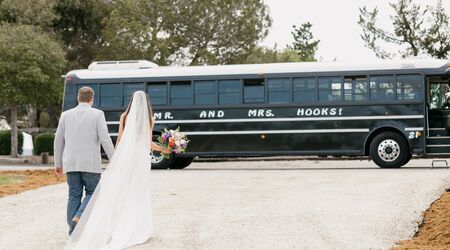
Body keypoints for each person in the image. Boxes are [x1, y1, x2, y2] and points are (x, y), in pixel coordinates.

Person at [64, 91, 171, 250]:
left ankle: (115, 225)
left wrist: (117, 159)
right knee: (140, 192)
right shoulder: (150, 119)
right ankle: (139, 227)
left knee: (124, 193)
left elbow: (120, 140)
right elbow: (147, 142)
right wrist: (164, 149)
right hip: (141, 159)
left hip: (128, 158)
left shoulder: (124, 117)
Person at [54, 86, 115, 236]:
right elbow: (105, 139)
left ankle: (73, 230)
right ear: (91, 99)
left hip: (71, 162)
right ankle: (80, 216)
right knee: (94, 193)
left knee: (74, 195)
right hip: (90, 163)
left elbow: (58, 140)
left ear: (78, 98)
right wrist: (115, 158)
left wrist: (58, 163)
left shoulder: (65, 115)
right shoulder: (97, 114)